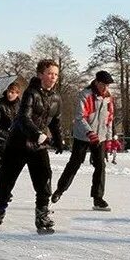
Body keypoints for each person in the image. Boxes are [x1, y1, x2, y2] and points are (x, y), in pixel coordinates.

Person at [0, 60, 63, 235]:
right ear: (40, 75)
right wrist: (38, 134)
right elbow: (23, 119)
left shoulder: (57, 98)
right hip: (18, 144)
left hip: (38, 147)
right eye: (50, 73)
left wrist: (59, 140)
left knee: (44, 179)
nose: (53, 77)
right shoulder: (30, 93)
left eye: (56, 74)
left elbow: (56, 121)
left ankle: (42, 215)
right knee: (6, 182)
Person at [51, 70, 115, 212]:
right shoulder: (85, 95)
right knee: (74, 163)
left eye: (108, 85)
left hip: (101, 136)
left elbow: (109, 120)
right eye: (104, 84)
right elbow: (80, 118)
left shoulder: (108, 98)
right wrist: (90, 132)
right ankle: (59, 190)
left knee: (100, 166)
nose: (106, 88)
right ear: (97, 82)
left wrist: (109, 139)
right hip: (83, 136)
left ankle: (98, 198)